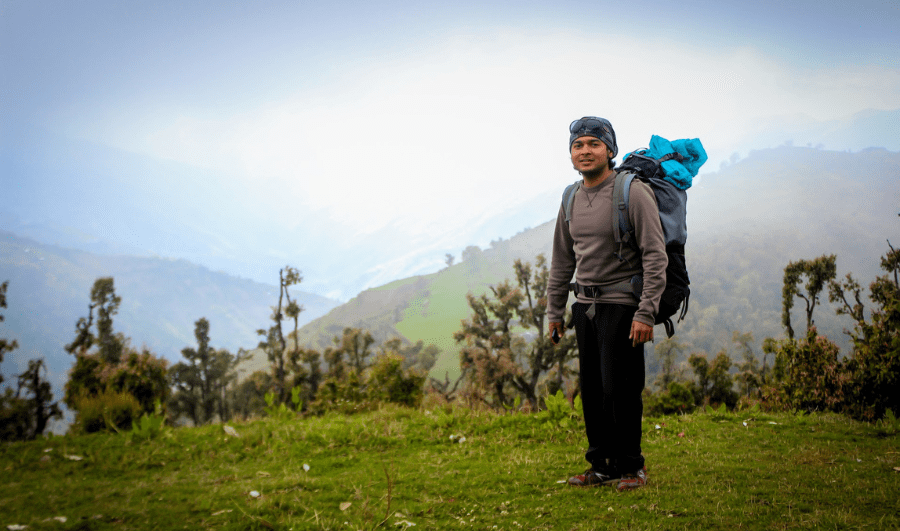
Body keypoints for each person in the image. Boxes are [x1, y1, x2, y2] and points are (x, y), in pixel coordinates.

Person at [546, 116, 667, 491]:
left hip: (623, 307)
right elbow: (562, 260)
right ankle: (601, 465)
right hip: (584, 306)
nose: (585, 151)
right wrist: (554, 311)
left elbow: (655, 255)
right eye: (578, 145)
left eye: (594, 144)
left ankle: (632, 466)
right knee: (594, 389)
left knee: (621, 389)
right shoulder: (570, 197)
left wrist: (646, 312)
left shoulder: (631, 192)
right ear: (570, 153)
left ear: (610, 150)